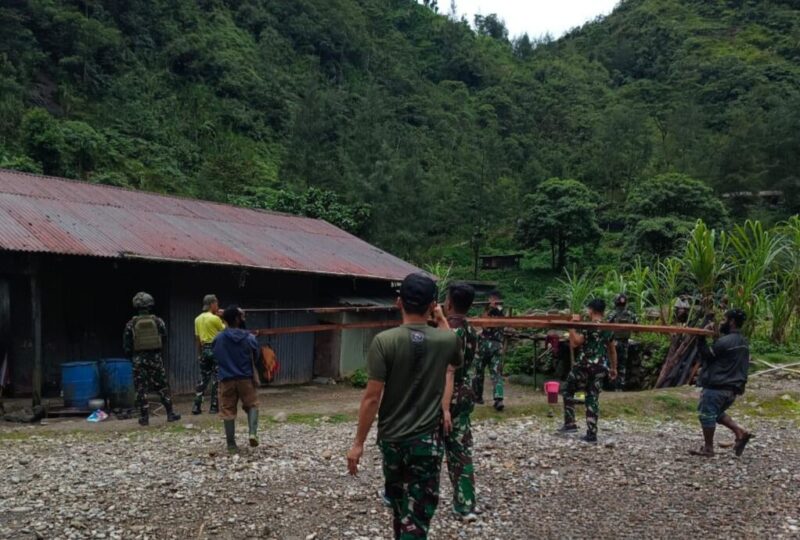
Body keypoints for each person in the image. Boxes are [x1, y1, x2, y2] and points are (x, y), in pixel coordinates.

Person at [347, 273, 461, 540]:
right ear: (433, 305)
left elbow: (372, 397)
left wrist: (358, 443)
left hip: (392, 440)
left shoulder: (384, 341)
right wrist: (442, 319)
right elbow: (455, 360)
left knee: (399, 507)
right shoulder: (447, 340)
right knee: (418, 514)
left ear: (399, 302)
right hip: (426, 442)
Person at [690, 308, 752, 457]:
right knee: (716, 413)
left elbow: (707, 355)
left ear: (731, 322)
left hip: (718, 386)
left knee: (707, 415)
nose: (722, 323)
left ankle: (708, 449)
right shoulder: (743, 342)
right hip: (732, 388)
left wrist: (701, 338)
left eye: (724, 320)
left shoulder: (725, 342)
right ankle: (740, 432)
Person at [443, 282, 480, 521]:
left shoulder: (451, 333)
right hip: (467, 393)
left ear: (449, 302)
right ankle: (465, 503)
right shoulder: (470, 330)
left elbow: (447, 370)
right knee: (461, 446)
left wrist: (444, 406)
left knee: (444, 447)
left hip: (450, 395)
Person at [559, 298, 617, 443]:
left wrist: (571, 326)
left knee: (567, 390)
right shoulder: (607, 328)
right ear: (603, 312)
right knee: (592, 397)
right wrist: (614, 368)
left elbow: (575, 343)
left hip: (584, 365)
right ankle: (592, 433)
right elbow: (612, 350)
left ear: (591, 310)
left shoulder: (587, 326)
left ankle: (570, 423)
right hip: (600, 367)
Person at [123, 292, 181, 426]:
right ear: (150, 305)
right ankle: (170, 414)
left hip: (139, 360)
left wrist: (135, 355)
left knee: (141, 389)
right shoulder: (158, 321)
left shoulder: (131, 324)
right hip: (155, 359)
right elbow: (164, 338)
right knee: (162, 387)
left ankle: (144, 418)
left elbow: (126, 345)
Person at [212, 306, 260, 454]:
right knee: (252, 405)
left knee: (227, 410)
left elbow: (215, 356)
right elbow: (256, 356)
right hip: (245, 379)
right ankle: (252, 433)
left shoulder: (218, 338)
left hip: (226, 379)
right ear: (238, 319)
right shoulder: (249, 338)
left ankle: (231, 445)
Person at [192, 294, 225, 415]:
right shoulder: (215, 318)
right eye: (216, 303)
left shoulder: (197, 319)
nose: (218, 306)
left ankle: (196, 406)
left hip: (204, 349)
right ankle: (213, 407)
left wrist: (199, 354)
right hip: (216, 349)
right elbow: (225, 330)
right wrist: (223, 318)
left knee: (203, 379)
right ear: (212, 304)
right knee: (216, 379)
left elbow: (197, 338)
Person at [473, 290, 505, 411]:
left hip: (490, 344)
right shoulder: (492, 310)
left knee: (491, 372)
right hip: (492, 345)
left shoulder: (498, 310)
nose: (490, 301)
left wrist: (491, 309)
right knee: (480, 371)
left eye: (491, 298)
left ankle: (497, 399)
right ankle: (479, 396)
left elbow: (485, 325)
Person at [606, 293, 638, 391]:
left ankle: (609, 385)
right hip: (625, 343)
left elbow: (605, 325)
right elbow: (637, 326)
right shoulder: (631, 314)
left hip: (613, 342)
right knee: (622, 365)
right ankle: (619, 387)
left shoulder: (612, 314)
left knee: (611, 363)